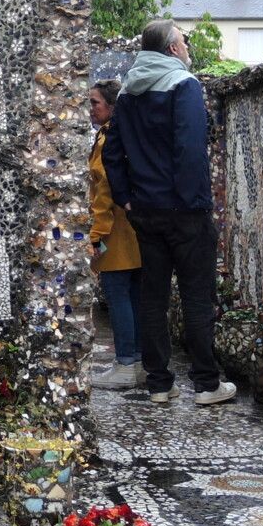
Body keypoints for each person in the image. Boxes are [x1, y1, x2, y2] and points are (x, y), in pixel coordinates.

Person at [101, 20, 236, 406]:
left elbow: (113, 153)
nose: (188, 48)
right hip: (185, 211)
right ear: (173, 48)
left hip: (145, 211)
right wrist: (192, 202)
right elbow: (190, 149)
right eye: (185, 41)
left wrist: (127, 198)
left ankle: (159, 383)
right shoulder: (184, 85)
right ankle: (207, 385)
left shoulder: (127, 93)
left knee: (153, 297)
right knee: (196, 296)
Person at [86, 80, 144, 389]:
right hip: (133, 228)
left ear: (111, 105)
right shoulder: (124, 135)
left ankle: (125, 363)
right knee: (133, 295)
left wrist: (95, 235)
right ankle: (136, 361)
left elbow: (104, 191)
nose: (91, 108)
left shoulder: (109, 139)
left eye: (95, 102)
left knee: (118, 294)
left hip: (115, 230)